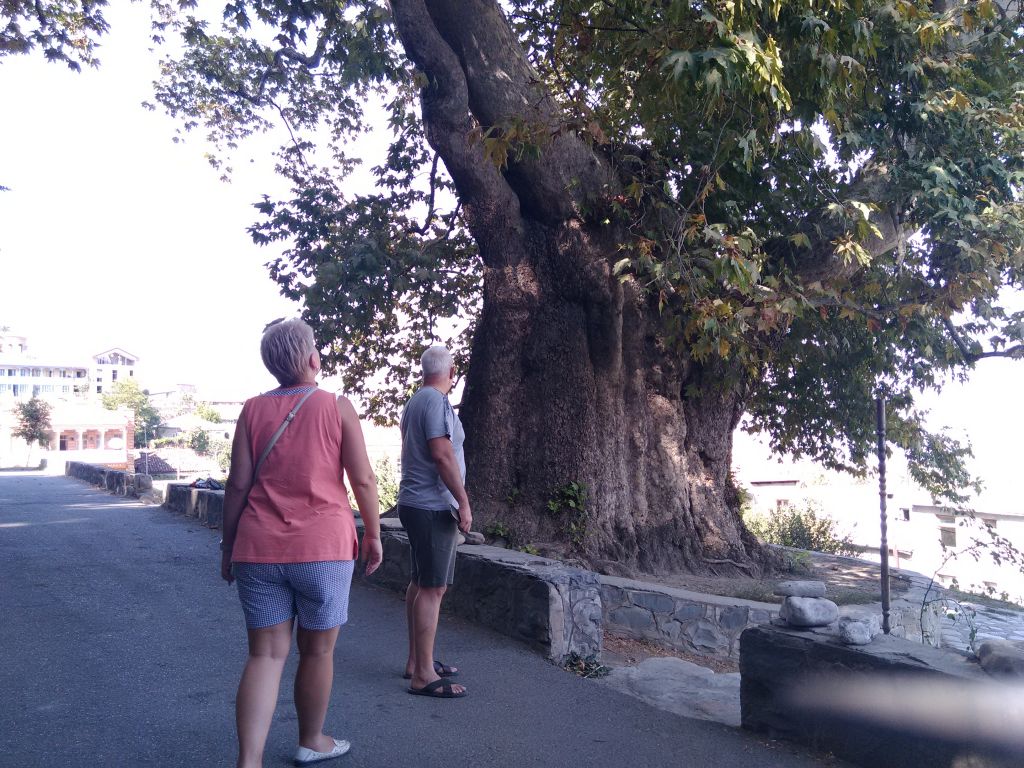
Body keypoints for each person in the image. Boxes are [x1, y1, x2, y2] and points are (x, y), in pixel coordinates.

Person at [219, 319, 383, 768]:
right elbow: (363, 480)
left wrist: (228, 547)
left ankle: (248, 761)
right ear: (313, 358)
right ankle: (312, 740)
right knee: (318, 650)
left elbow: (237, 485)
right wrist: (373, 533)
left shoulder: (252, 410)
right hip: (323, 549)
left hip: (258, 549)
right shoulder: (336, 406)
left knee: (265, 655)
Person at [397, 345, 472, 699]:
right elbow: (442, 455)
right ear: (451, 372)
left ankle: (417, 662)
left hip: (414, 503)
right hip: (432, 506)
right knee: (433, 588)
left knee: (420, 582)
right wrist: (463, 502)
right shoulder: (437, 403)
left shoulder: (415, 401)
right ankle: (423, 675)